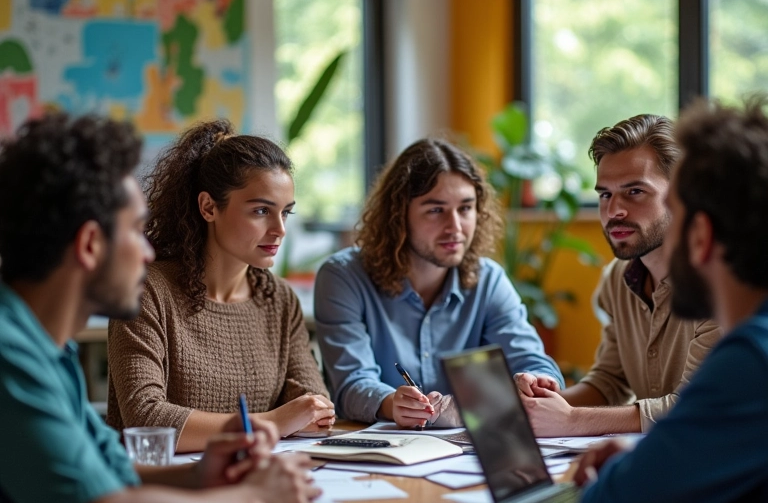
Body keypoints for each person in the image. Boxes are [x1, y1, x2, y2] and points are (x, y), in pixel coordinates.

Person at [0, 113, 319, 503]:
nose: (148, 251)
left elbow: (112, 472)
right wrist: (257, 502)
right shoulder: (11, 356)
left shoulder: (44, 350)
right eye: (133, 230)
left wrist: (203, 478)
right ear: (89, 246)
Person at [574, 98, 768, 503]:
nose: (617, 214)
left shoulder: (750, 361)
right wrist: (656, 459)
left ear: (700, 235)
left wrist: (639, 473)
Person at [107, 119, 335, 452]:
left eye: (286, 213)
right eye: (261, 211)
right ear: (209, 207)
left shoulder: (280, 299)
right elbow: (145, 418)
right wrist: (271, 423)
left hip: (256, 478)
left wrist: (306, 413)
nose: (279, 229)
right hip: (163, 489)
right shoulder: (146, 290)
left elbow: (312, 407)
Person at [314, 137, 563, 426]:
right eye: (436, 210)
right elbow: (350, 383)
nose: (455, 227)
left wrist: (538, 380)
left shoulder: (489, 281)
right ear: (398, 215)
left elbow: (530, 359)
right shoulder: (343, 277)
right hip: (379, 452)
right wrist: (392, 403)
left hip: (470, 451)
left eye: (466, 208)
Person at [516, 115, 720, 436]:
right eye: (605, 195)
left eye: (635, 191)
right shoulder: (617, 279)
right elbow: (610, 381)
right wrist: (543, 405)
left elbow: (698, 408)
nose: (614, 211)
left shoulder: (722, 283)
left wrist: (571, 421)